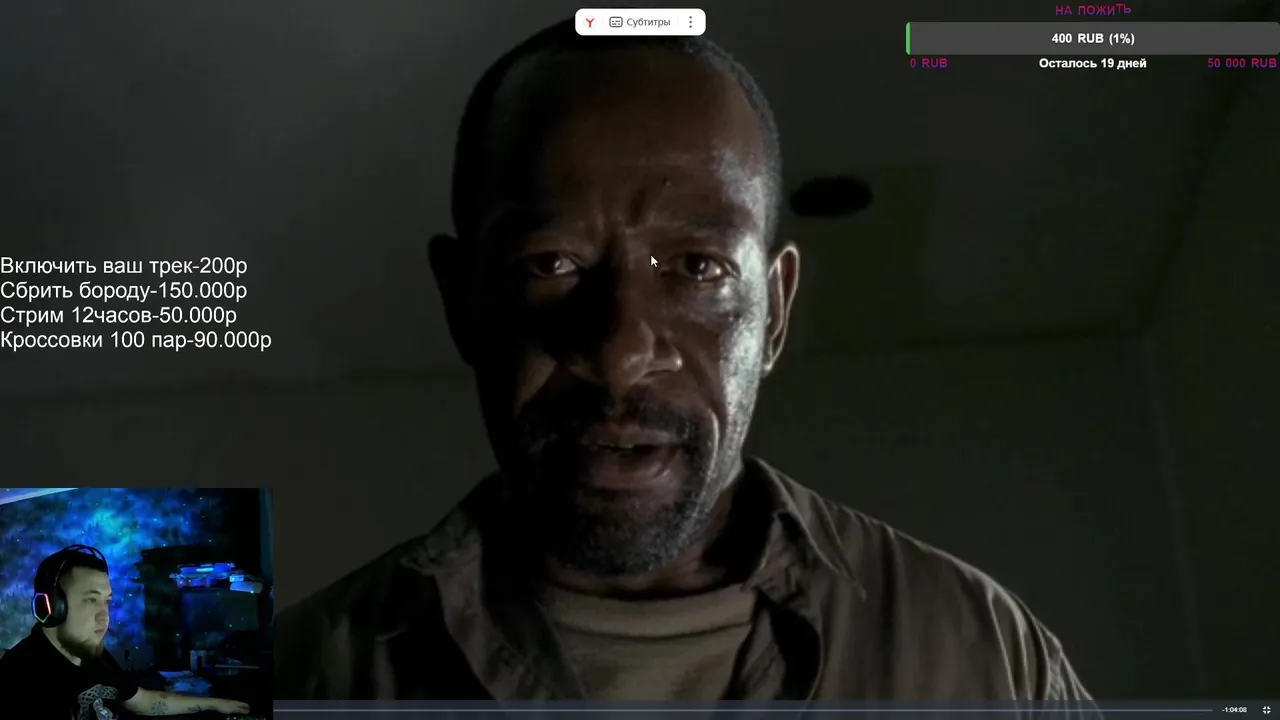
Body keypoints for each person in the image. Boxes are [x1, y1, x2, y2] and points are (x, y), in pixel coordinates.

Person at [274, 19, 1096, 703]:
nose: (620, 353)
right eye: (550, 263)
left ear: (775, 313)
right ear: (461, 301)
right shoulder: (293, 678)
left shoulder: (992, 661)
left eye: (698, 268)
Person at [0, 545, 251, 719]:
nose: (104, 616)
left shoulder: (91, 653)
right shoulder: (18, 680)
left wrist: (216, 704)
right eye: (91, 600)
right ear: (52, 607)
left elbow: (143, 702)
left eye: (107, 601)